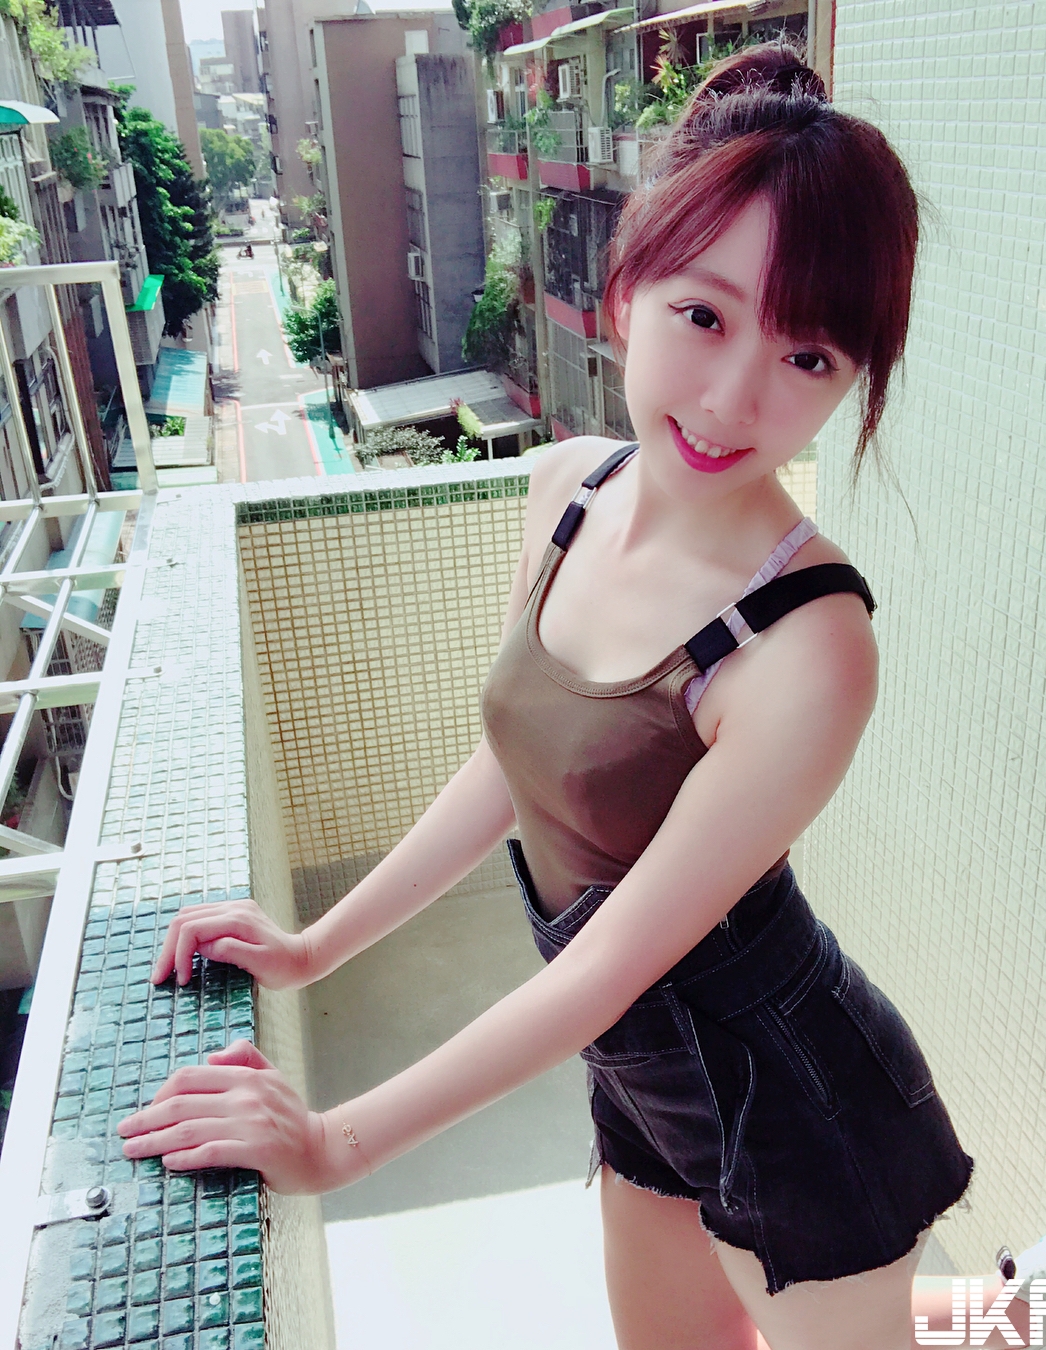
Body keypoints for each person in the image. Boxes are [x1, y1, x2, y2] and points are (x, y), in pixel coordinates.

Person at [117, 45, 976, 1350]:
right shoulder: (569, 489)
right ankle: (1018, 1305)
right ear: (627, 289)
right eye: (704, 316)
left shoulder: (811, 644)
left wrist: (337, 1140)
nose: (734, 399)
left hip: (798, 1108)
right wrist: (310, 948)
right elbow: (514, 768)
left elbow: (616, 957)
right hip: (644, 1078)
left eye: (808, 356)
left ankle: (1023, 1304)